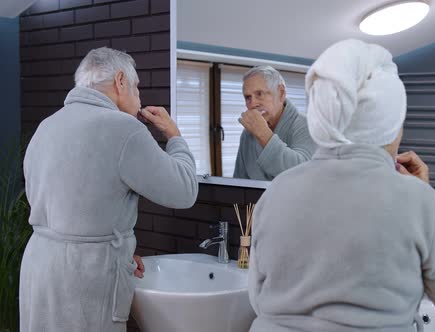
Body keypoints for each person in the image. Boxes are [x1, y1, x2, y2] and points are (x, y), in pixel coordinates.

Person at [247, 39, 435, 332]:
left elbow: (258, 300)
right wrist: (429, 201)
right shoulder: (415, 200)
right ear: (390, 124)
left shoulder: (275, 193)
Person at [20, 47, 198, 332]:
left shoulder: (47, 126)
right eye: (137, 86)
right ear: (120, 81)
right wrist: (173, 136)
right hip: (85, 278)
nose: (139, 96)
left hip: (39, 268)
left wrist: (114, 252)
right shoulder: (123, 128)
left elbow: (70, 213)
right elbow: (184, 190)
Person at [233, 66, 316, 180]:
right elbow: (240, 181)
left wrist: (263, 134)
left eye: (259, 94)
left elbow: (302, 173)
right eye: (248, 97)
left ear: (281, 93)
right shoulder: (247, 135)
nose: (252, 104)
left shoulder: (307, 126)